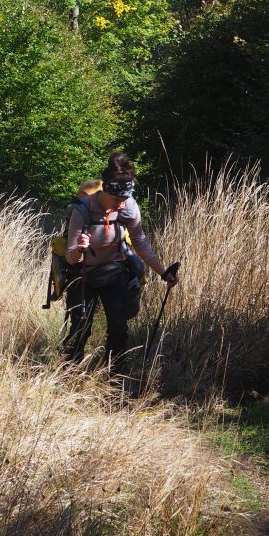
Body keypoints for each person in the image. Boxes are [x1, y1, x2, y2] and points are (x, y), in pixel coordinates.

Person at [63, 152, 177, 375]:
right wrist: (79, 249)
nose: (120, 206)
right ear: (105, 190)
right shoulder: (82, 209)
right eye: (116, 200)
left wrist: (164, 273)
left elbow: (141, 244)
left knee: (118, 326)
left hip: (115, 271)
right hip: (82, 274)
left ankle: (115, 375)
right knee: (80, 326)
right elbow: (69, 256)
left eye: (124, 200)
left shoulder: (128, 206)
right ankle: (70, 374)